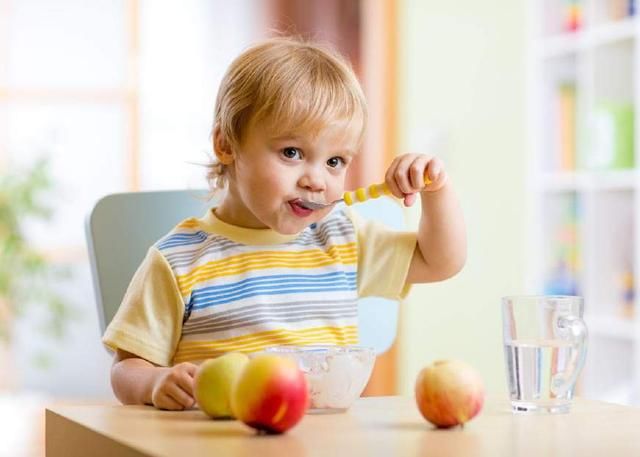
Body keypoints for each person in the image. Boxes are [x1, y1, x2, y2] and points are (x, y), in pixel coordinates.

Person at [103, 37, 466, 411]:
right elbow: (126, 368)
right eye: (292, 153)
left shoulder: (341, 237)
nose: (317, 180)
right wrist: (153, 382)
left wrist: (436, 191)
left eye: (335, 161)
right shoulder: (178, 260)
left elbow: (440, 261)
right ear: (226, 144)